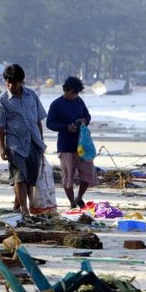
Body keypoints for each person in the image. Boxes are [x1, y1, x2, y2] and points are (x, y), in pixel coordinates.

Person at [0, 64, 47, 215]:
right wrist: (2, 148)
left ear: (21, 82)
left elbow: (38, 121)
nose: (10, 85)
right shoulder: (2, 101)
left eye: (14, 82)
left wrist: (41, 142)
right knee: (19, 176)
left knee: (30, 178)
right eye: (8, 82)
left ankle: (17, 207)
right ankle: (25, 209)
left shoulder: (32, 95)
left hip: (34, 142)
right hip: (15, 144)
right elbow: (0, 127)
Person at [46, 77, 97, 209]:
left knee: (88, 173)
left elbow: (88, 116)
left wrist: (84, 121)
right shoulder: (56, 104)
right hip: (66, 146)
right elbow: (50, 124)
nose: (75, 95)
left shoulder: (79, 101)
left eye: (77, 93)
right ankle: (72, 203)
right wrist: (66, 127)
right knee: (68, 177)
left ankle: (79, 197)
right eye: (73, 92)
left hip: (82, 145)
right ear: (65, 90)